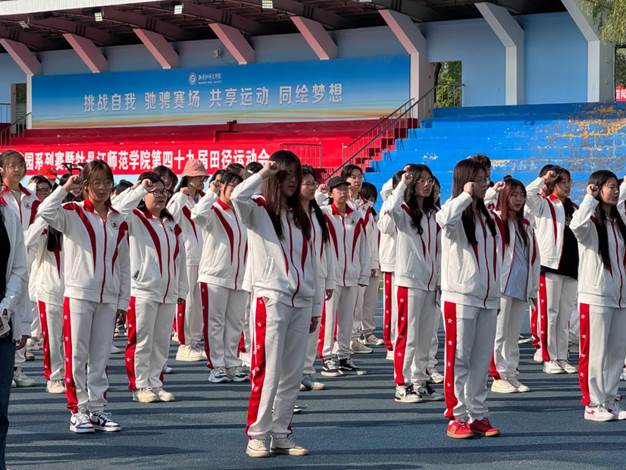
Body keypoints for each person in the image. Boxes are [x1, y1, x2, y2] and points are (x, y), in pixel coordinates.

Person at [38, 159, 150, 433]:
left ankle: (97, 407)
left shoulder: (117, 219)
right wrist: (65, 188)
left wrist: (122, 300)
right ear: (86, 185)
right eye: (96, 182)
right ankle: (78, 410)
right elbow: (44, 211)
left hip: (108, 297)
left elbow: (123, 264)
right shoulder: (72, 212)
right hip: (78, 294)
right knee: (77, 355)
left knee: (100, 356)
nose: (102, 188)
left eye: (107, 183)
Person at [232, 151, 321, 458]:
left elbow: (312, 263)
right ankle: (256, 434)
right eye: (286, 174)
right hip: (271, 298)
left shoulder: (301, 215)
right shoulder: (258, 209)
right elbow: (236, 196)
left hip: (301, 300)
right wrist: (263, 172)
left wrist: (315, 307)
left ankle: (281, 433)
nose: (293, 181)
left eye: (296, 175)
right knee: (267, 370)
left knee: (292, 374)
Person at [437, 157, 502, 439]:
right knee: (459, 359)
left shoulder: (488, 217)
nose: (485, 182)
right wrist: (465, 195)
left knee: (480, 361)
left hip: (487, 298)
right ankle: (456, 416)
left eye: (486, 177)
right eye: (479, 178)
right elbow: (444, 218)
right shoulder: (454, 213)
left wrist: (495, 294)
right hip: (460, 297)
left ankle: (478, 414)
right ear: (466, 181)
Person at [124, 172, 188, 403]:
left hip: (168, 292)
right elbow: (118, 207)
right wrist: (140, 188)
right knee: (141, 341)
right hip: (142, 290)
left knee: (160, 342)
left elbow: (180, 259)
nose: (160, 196)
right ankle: (140, 385)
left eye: (163, 192)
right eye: (155, 192)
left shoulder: (171, 224)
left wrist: (181, 290)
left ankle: (155, 382)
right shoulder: (134, 217)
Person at [570, 170, 626, 421]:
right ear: (597, 188)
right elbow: (575, 225)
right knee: (595, 352)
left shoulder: (619, 222)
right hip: (596, 296)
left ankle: (610, 400)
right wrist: (589, 198)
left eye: (617, 187)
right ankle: (592, 403)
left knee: (616, 353)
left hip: (619, 297)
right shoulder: (590, 222)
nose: (615, 191)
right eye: (610, 186)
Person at [386, 165, 442, 403]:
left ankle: (419, 381)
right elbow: (389, 208)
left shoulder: (434, 213)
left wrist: (439, 279)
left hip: (431, 284)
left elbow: (439, 250)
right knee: (407, 335)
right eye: (421, 180)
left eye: (430, 180)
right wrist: (403, 183)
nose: (427, 185)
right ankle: (402, 384)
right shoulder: (404, 211)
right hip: (409, 282)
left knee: (425, 337)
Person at [192, 171, 249, 384]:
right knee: (214, 323)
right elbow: (196, 214)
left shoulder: (242, 212)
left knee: (235, 322)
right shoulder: (213, 210)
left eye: (238, 186)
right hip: (214, 276)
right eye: (231, 186)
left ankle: (232, 363)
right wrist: (212, 193)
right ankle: (217, 366)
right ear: (222, 187)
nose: (235, 191)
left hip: (239, 276)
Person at [526, 166, 579, 374]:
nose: (566, 186)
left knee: (565, 315)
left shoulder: (574, 207)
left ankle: (562, 356)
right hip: (550, 266)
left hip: (571, 267)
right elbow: (528, 193)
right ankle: (549, 357)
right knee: (550, 313)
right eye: (562, 182)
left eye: (568, 181)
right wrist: (544, 178)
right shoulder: (544, 204)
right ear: (553, 184)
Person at [24, 180, 75, 394]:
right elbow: (27, 241)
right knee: (53, 339)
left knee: (75, 339)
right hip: (50, 291)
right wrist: (45, 218)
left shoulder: (77, 227)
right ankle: (54, 377)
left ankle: (73, 376)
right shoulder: (44, 227)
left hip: (75, 291)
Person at [490, 177, 540, 394]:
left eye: (522, 195)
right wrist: (493, 191)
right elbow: (481, 205)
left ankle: (510, 372)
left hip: (520, 286)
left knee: (512, 335)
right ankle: (498, 375)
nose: (519, 199)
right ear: (504, 197)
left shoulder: (525, 225)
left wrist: (533, 288)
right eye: (514, 195)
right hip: (501, 287)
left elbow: (534, 258)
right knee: (499, 333)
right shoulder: (495, 219)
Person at [318, 176, 369, 377]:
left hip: (352, 275)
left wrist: (363, 273)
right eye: (339, 189)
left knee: (348, 319)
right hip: (331, 276)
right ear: (331, 193)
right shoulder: (323, 214)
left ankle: (344, 356)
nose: (343, 192)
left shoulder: (356, 216)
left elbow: (363, 246)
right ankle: (327, 356)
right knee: (329, 318)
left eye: (345, 189)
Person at [0, 150, 38, 388]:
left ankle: (16, 367)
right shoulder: (3, 198)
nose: (17, 169)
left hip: (26, 259)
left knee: (21, 309)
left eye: (21, 165)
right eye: (12, 165)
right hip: (9, 258)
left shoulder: (30, 198)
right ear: (2, 169)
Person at [167, 159, 209, 362]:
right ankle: (184, 345)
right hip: (187, 255)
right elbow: (168, 220)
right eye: (198, 176)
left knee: (197, 302)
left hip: (203, 256)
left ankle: (193, 342)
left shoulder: (201, 198)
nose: (202, 180)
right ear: (188, 177)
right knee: (188, 300)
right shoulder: (178, 198)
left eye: (203, 177)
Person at [300, 166, 336, 392]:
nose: (312, 187)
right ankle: (290, 376)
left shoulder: (318, 214)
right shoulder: (288, 213)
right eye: (307, 183)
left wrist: (329, 280)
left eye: (313, 183)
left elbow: (327, 248)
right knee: (295, 331)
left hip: (318, 277)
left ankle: (306, 372)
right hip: (296, 279)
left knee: (312, 328)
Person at [0, 188, 28, 470]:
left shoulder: (9, 215)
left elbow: (20, 268)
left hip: (2, 324)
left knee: (0, 410)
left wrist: (6, 307)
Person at [352, 182, 383, 351]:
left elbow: (375, 241)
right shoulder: (357, 213)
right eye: (368, 197)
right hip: (361, 265)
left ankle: (368, 333)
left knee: (370, 302)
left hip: (374, 264)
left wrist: (375, 263)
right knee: (357, 303)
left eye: (373, 198)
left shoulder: (373, 215)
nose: (371, 201)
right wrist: (367, 263)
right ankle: (355, 335)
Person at [378, 172, 403, 361]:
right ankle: (391, 343)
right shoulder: (389, 203)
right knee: (393, 307)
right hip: (392, 262)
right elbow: (386, 228)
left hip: (409, 264)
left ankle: (403, 341)